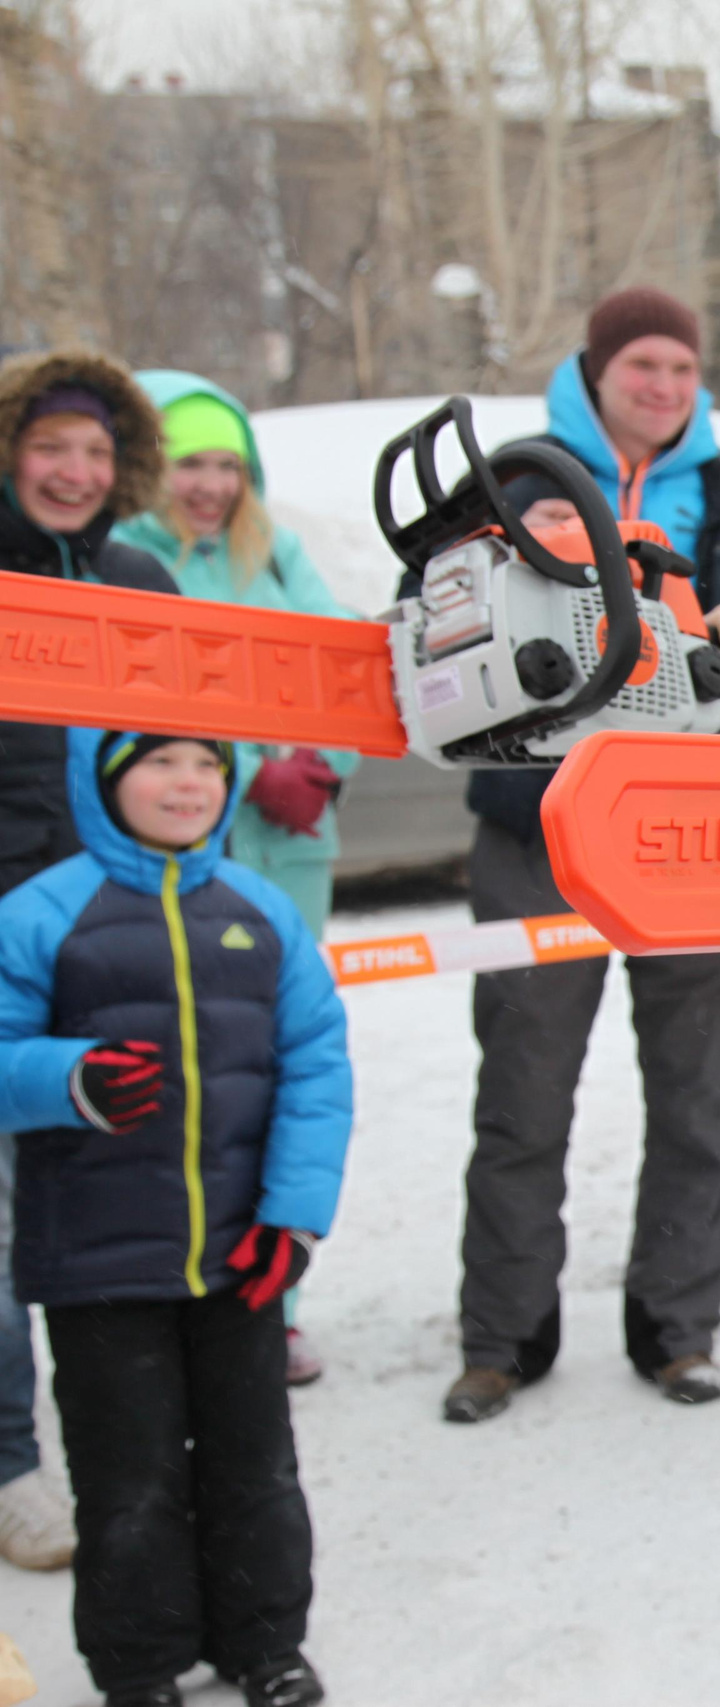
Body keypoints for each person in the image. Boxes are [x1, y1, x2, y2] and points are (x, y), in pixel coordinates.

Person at [443, 286, 720, 1423]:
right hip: (531, 831)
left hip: (694, 836)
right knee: (523, 1096)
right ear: (596, 370)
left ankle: (677, 1326)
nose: (662, 385)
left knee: (697, 1099)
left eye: (682, 369)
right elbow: (435, 618)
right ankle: (502, 1335)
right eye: (642, 364)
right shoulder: (516, 478)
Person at [0, 729, 352, 1707]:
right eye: (158, 763)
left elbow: (316, 1069)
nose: (188, 782)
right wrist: (64, 1079)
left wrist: (295, 1218)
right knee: (129, 1478)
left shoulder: (260, 910)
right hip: (98, 1259)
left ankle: (265, 1643)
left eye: (207, 764)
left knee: (255, 1465)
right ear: (103, 780)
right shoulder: (40, 915)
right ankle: (139, 1665)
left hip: (241, 1253)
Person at [114, 370, 356, 1388]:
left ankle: (274, 1304)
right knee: (175, 1084)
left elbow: (342, 665)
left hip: (287, 864)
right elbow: (138, 697)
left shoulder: (276, 552)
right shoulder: (130, 558)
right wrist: (253, 771)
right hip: (179, 856)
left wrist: (325, 760)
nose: (208, 486)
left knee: (274, 1077)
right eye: (188, 463)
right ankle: (166, 1298)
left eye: (226, 465)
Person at [0, 349, 177, 1575]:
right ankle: (11, 1461)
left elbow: (182, 757)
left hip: (111, 932)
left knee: (109, 1183)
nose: (74, 472)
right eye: (53, 446)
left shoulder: (138, 576)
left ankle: (132, 1439)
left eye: (98, 452)